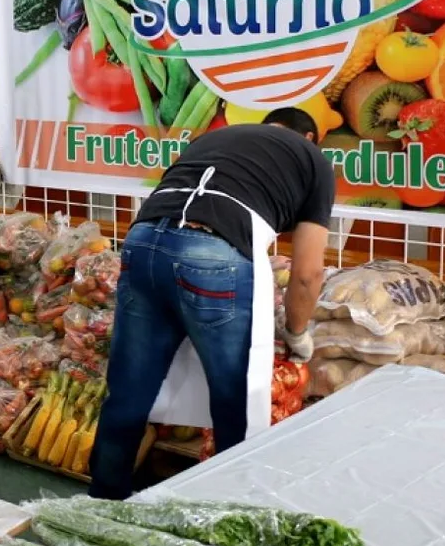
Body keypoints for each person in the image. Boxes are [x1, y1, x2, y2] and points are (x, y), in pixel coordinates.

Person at [88, 108, 335, 500]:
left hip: (143, 239)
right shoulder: (314, 161)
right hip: (213, 255)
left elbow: (188, 204)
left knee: (129, 391)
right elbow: (308, 274)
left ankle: (102, 502)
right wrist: (297, 333)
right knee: (235, 401)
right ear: (309, 138)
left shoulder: (217, 138)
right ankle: (225, 511)